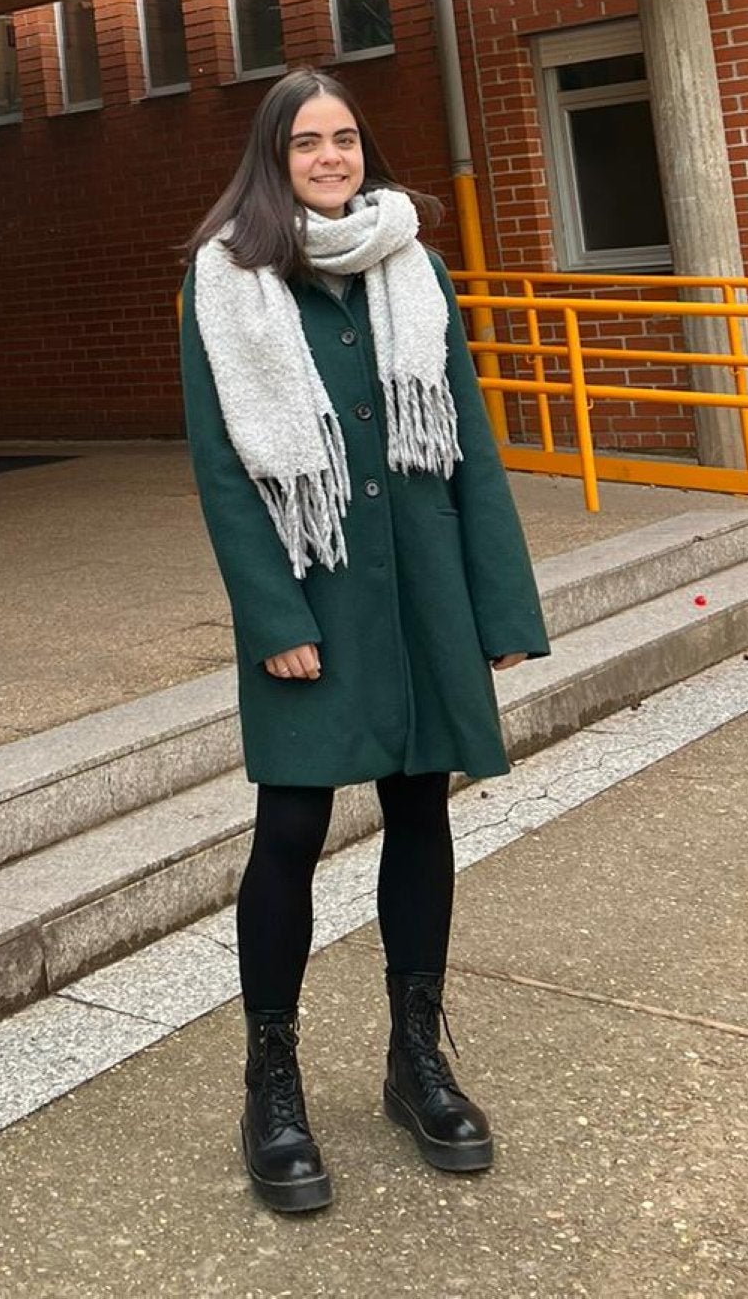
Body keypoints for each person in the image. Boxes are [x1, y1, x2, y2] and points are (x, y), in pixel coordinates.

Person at [181, 67, 549, 1216]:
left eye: (344, 139)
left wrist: (495, 606)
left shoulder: (412, 263)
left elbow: (470, 444)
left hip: (422, 586)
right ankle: (273, 1084)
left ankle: (415, 1059)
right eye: (308, 143)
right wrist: (273, 619)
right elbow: (225, 470)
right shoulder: (231, 280)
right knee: (290, 823)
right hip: (314, 590)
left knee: (422, 808)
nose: (332, 157)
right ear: (273, 158)